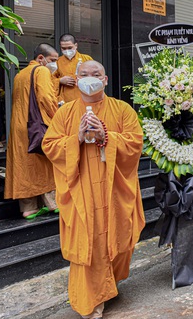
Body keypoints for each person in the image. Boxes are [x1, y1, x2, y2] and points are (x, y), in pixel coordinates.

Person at [42, 60, 145, 319]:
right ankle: (91, 302)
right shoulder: (64, 115)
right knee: (88, 245)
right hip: (81, 192)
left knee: (119, 241)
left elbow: (135, 143)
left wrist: (107, 137)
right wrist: (75, 138)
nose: (90, 78)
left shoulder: (122, 110)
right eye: (84, 74)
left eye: (96, 74)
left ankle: (108, 285)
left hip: (114, 189)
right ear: (76, 80)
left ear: (106, 80)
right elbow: (50, 146)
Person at [4, 43, 59, 219]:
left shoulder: (20, 74)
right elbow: (45, 97)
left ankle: (29, 208)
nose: (55, 65)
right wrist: (57, 115)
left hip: (20, 126)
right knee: (44, 163)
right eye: (53, 60)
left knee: (24, 164)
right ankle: (52, 203)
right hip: (37, 125)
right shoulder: (42, 71)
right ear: (41, 58)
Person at [52, 34, 93, 103]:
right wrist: (60, 80)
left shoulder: (86, 59)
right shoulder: (57, 62)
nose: (67, 50)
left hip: (84, 99)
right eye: (64, 48)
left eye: (70, 48)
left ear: (76, 45)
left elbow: (95, 78)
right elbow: (50, 80)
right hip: (65, 101)